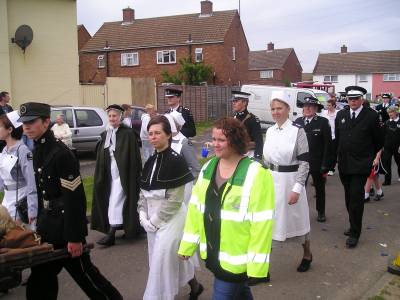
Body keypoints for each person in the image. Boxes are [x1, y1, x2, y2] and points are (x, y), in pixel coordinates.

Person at [18, 102, 122, 300]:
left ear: (46, 121)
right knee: (40, 279)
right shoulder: (39, 150)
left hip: (65, 229)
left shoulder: (61, 154)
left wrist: (74, 237)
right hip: (48, 226)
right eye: (24, 123)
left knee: (87, 277)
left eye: (31, 122)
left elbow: (74, 199)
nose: (26, 127)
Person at [179, 117, 275, 300]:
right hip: (214, 254)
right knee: (241, 294)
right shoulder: (208, 168)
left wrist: (257, 265)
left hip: (238, 260)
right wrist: (187, 245)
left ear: (236, 141)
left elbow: (262, 224)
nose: (215, 144)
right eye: (214, 139)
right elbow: (195, 210)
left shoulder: (257, 173)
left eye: (221, 140)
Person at [138, 115, 203, 300]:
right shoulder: (150, 161)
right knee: (169, 259)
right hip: (151, 218)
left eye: (158, 133)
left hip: (172, 218)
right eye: (150, 134)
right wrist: (142, 214)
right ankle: (195, 286)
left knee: (161, 262)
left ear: (168, 134)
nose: (153, 137)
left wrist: (155, 221)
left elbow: (174, 200)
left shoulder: (176, 161)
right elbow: (143, 192)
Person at [263, 90, 312, 272]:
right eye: (273, 109)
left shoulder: (297, 131)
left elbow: (305, 162)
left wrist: (297, 188)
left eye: (279, 108)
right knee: (267, 223)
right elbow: (266, 161)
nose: (276, 112)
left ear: (288, 109)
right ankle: (263, 268)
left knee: (297, 222)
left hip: (290, 182)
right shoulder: (269, 131)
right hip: (270, 182)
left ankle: (307, 253)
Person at [334, 86, 384, 248]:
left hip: (361, 164)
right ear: (347, 100)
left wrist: (370, 157)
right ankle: (352, 224)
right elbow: (339, 139)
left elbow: (378, 140)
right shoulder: (341, 115)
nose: (353, 102)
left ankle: (355, 232)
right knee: (349, 197)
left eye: (356, 99)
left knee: (356, 197)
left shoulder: (371, 116)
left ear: (362, 99)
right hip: (344, 164)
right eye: (350, 99)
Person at [91, 104, 142, 247]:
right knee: (111, 198)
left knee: (116, 200)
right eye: (110, 116)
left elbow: (134, 157)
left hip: (123, 174)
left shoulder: (128, 134)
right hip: (110, 174)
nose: (112, 118)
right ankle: (132, 227)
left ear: (120, 117)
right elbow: (103, 155)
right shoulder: (106, 134)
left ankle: (112, 233)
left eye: (115, 116)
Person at [295, 96, 332, 222]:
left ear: (316, 108)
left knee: (319, 189)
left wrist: (326, 164)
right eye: (305, 106)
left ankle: (321, 212)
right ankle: (299, 212)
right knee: (300, 187)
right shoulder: (297, 121)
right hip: (301, 163)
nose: (308, 108)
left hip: (317, 162)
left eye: (311, 106)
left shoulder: (322, 122)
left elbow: (328, 145)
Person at [0, 111, 37, 229]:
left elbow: (31, 181)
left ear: (10, 129)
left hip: (20, 201)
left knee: (19, 238)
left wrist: (32, 209)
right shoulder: (5, 150)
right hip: (7, 199)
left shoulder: (23, 150)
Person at [165, 110, 201, 205]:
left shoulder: (184, 143)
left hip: (182, 188)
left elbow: (196, 168)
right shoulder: (166, 140)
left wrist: (184, 181)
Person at [232, 91, 263, 160]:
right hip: (235, 155)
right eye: (233, 101)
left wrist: (257, 158)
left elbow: (259, 141)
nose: (233, 103)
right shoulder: (233, 118)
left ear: (244, 103)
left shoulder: (253, 119)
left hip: (249, 156)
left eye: (236, 101)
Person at [381, 105, 400, 185]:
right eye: (389, 113)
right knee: (386, 163)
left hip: (398, 147)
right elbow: (383, 135)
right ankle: (387, 180)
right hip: (387, 147)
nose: (390, 114)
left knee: (399, 162)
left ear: (396, 112)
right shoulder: (387, 122)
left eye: (391, 112)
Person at [322, 99, 338, 175]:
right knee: (326, 152)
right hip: (326, 136)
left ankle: (332, 169)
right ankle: (326, 167)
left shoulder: (337, 113)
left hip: (334, 136)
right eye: (327, 105)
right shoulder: (324, 113)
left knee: (333, 153)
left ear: (334, 106)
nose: (327, 107)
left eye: (329, 105)